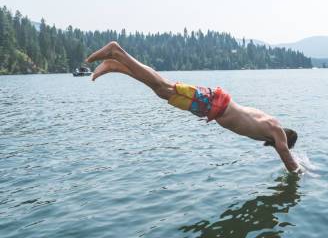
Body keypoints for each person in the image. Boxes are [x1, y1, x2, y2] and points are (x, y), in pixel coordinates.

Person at [85, 41, 300, 172]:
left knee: (162, 91)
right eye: (286, 145)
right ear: (287, 138)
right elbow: (284, 152)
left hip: (213, 106)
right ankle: (117, 52)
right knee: (163, 86)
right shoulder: (277, 130)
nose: (280, 146)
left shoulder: (269, 126)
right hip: (214, 104)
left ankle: (117, 66)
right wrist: (300, 171)